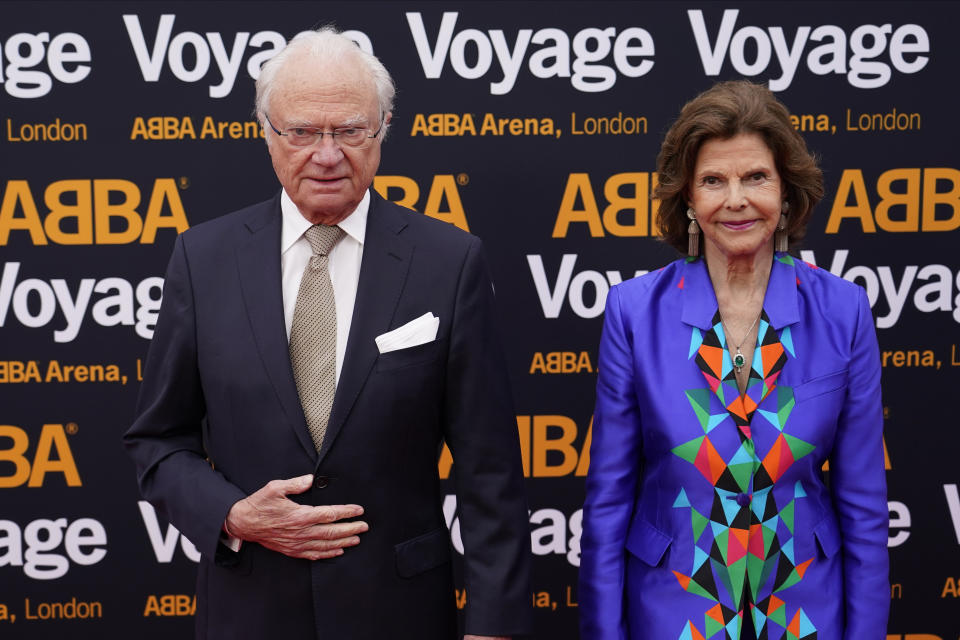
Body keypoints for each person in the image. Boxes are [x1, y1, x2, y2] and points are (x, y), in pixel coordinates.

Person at [124, 27, 531, 640]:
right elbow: (158, 442)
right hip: (249, 612)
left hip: (400, 615)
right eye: (303, 132)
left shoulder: (449, 262)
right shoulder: (202, 259)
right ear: (267, 133)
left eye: (348, 131)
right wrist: (233, 514)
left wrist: (494, 629)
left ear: (383, 129)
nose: (326, 153)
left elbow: (490, 472)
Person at [579, 81, 888, 640]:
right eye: (713, 181)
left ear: (786, 193)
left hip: (804, 613)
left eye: (756, 178)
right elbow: (607, 508)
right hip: (673, 612)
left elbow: (865, 514)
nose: (736, 199)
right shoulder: (634, 312)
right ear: (689, 201)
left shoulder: (844, 311)